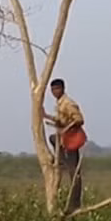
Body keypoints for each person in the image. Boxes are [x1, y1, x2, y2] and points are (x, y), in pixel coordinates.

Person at [43, 78, 86, 211]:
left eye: (56, 89)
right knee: (53, 138)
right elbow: (61, 119)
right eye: (52, 89)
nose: (54, 92)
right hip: (64, 138)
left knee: (74, 173)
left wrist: (67, 128)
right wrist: (46, 116)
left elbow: (79, 119)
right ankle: (61, 161)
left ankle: (75, 204)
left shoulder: (68, 103)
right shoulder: (60, 103)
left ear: (62, 89)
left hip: (72, 139)